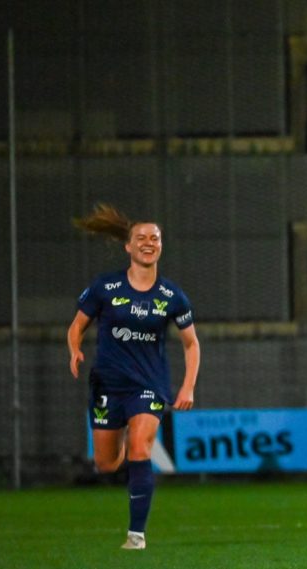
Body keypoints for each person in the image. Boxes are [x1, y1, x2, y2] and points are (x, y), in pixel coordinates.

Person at [67, 203, 200, 550]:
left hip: (149, 385)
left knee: (141, 448)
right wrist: (75, 348)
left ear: (161, 246)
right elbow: (77, 326)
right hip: (108, 385)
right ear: (128, 246)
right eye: (141, 237)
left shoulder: (172, 296)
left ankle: (136, 536)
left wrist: (188, 386)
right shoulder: (105, 286)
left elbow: (191, 343)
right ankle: (124, 434)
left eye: (154, 238)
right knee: (106, 463)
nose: (148, 242)